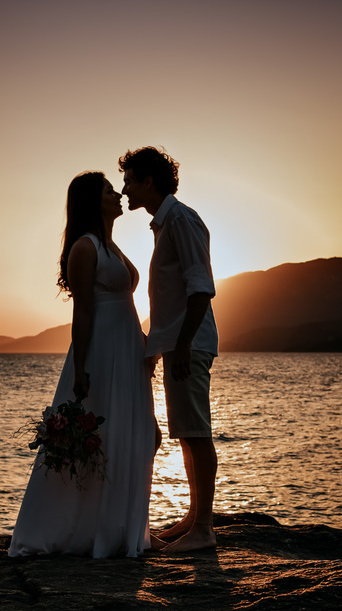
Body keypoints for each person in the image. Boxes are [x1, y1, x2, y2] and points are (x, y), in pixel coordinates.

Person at [8, 172, 157, 558]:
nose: (119, 194)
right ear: (94, 201)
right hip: (101, 355)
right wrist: (80, 369)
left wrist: (144, 348)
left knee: (132, 433)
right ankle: (68, 529)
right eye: (110, 190)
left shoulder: (111, 245)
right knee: (93, 439)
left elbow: (127, 306)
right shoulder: (86, 248)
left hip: (126, 351)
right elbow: (84, 312)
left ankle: (120, 527)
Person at [119, 147, 219, 553]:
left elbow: (201, 288)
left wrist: (179, 346)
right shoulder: (165, 223)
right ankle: (194, 519)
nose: (124, 188)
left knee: (195, 433)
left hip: (188, 345)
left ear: (148, 182)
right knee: (186, 433)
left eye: (129, 180)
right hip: (179, 344)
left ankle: (204, 530)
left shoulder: (180, 219)